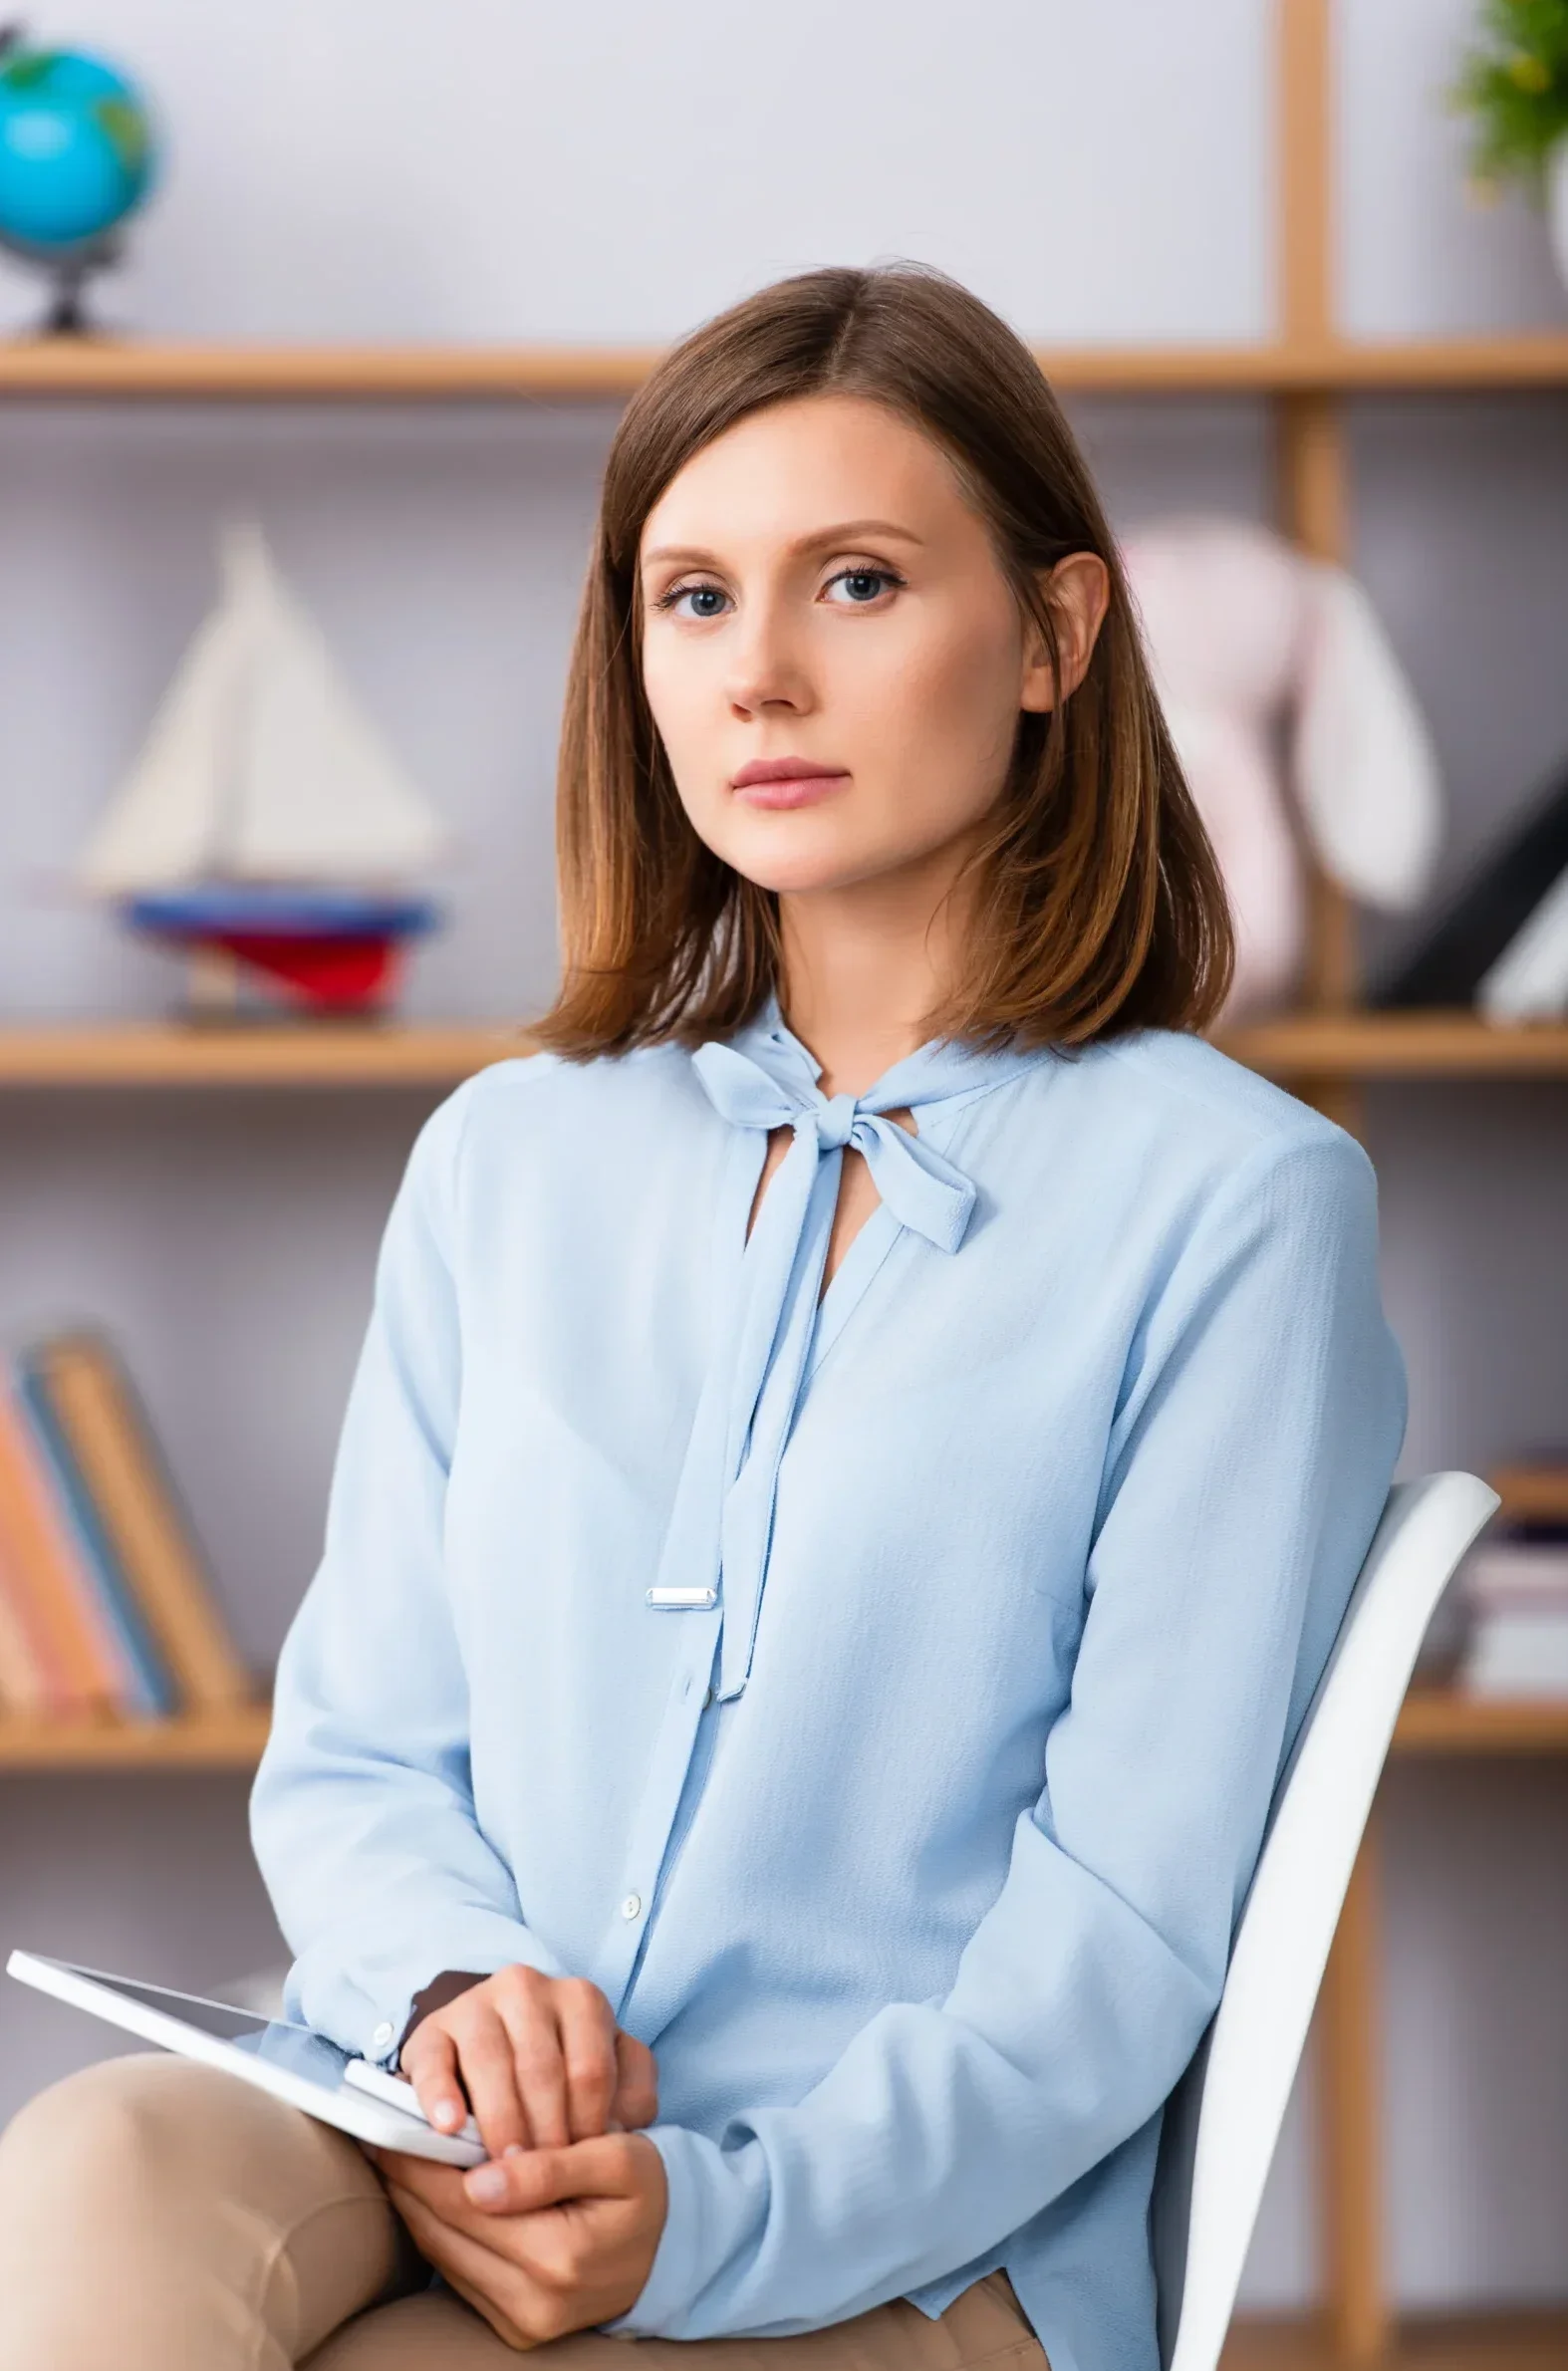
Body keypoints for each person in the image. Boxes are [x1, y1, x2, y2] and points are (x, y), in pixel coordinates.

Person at [0, 264, 1407, 2371]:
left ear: (1053, 634)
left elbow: (1117, 1932)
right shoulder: (508, 1156)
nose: (758, 675)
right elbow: (363, 1748)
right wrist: (461, 1994)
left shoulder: (1238, 1206)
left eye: (852, 583)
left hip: (914, 2233)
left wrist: (712, 2223)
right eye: (690, 597)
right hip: (440, 2117)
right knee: (98, 2163)